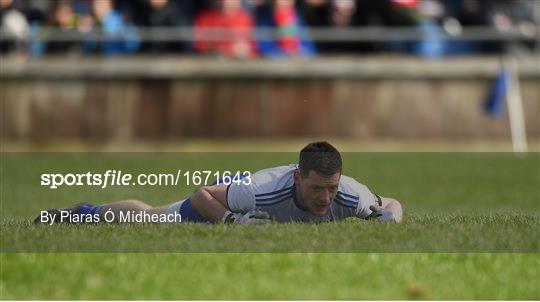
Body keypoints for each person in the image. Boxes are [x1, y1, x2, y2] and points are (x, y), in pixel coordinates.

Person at [35, 142, 403, 224]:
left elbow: (392, 203)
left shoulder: (349, 194)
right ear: (297, 177)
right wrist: (231, 222)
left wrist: (391, 219)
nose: (326, 197)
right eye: (317, 188)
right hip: (226, 193)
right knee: (157, 218)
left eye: (331, 188)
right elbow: (201, 195)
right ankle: (81, 213)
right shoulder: (262, 191)